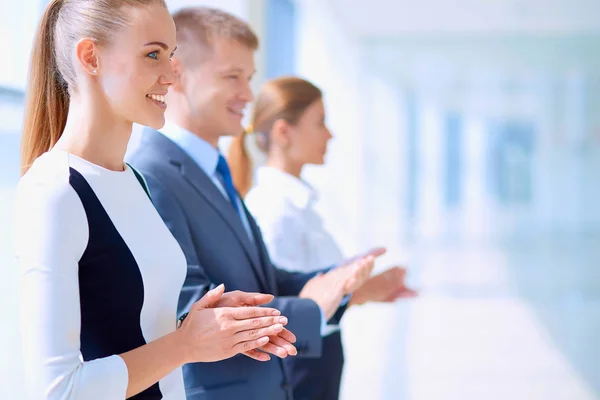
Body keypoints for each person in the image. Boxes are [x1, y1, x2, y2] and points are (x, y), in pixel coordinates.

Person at [15, 1, 293, 399]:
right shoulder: (54, 191)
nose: (171, 73)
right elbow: (58, 391)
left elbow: (131, 333)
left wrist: (197, 327)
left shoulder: (134, 182)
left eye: (172, 55)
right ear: (91, 57)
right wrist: (186, 344)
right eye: (153, 54)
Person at [126, 6, 381, 400]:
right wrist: (313, 307)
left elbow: (262, 281)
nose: (247, 94)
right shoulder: (151, 173)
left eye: (248, 77)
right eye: (232, 77)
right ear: (177, 74)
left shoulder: (211, 169)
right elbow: (195, 308)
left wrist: (337, 282)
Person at [233, 76, 418, 399]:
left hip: (315, 365)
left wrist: (362, 288)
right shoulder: (273, 211)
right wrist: (362, 291)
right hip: (298, 370)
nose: (330, 134)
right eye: (320, 123)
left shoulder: (298, 207)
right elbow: (282, 308)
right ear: (284, 132)